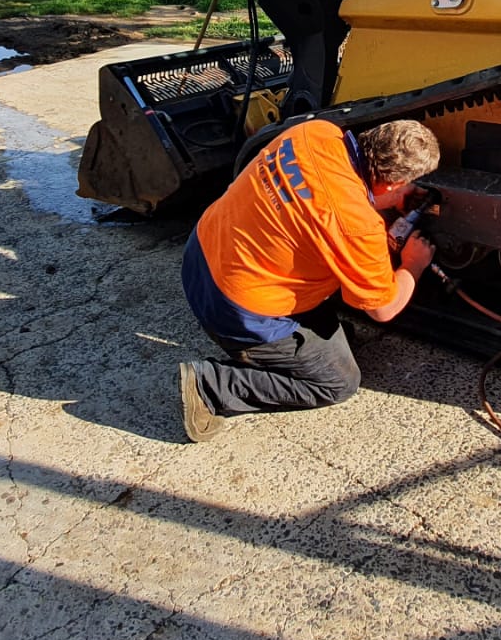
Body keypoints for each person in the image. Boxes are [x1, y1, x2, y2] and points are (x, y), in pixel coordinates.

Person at [177, 117, 441, 441]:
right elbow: (384, 309)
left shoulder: (316, 133)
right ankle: (211, 386)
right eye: (407, 185)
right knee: (337, 382)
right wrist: (413, 264)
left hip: (200, 255)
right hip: (234, 307)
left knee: (334, 320)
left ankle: (301, 344)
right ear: (390, 185)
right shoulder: (358, 225)